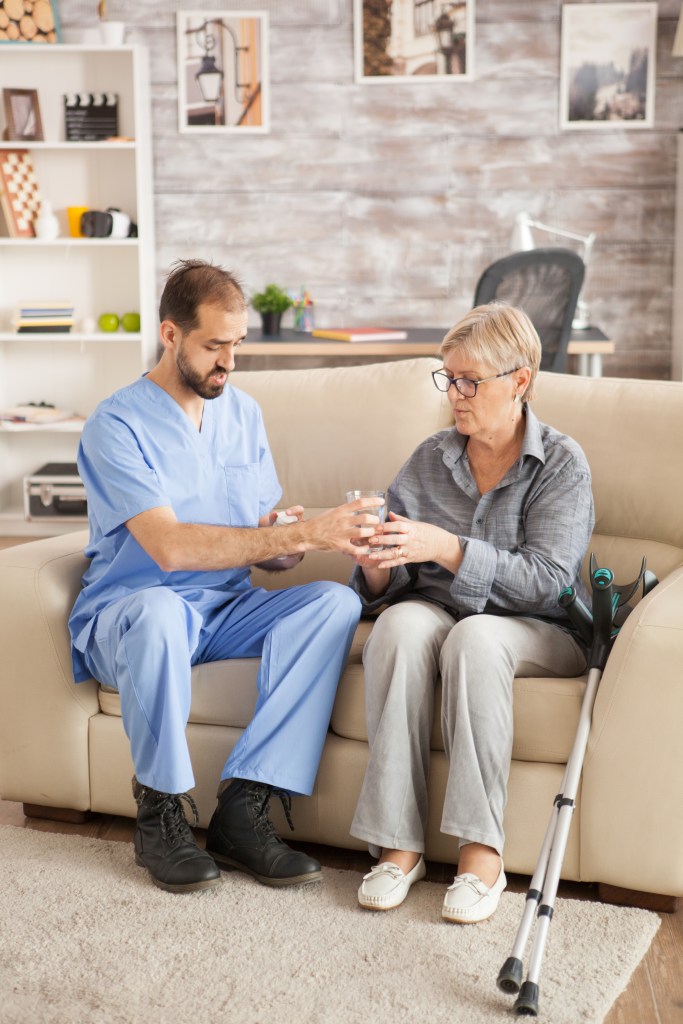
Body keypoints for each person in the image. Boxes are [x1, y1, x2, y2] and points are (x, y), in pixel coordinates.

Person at [68, 259, 383, 894]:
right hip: (135, 611)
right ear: (170, 335)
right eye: (215, 346)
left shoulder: (242, 414)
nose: (229, 363)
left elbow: (261, 542)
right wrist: (299, 534)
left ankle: (245, 807)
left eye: (237, 345)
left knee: (332, 603)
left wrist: (282, 543)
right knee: (160, 612)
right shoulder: (115, 426)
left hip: (224, 610)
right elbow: (168, 548)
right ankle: (160, 815)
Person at [348, 303, 594, 923]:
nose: (454, 395)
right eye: (448, 378)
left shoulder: (561, 464)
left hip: (543, 627)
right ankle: (398, 847)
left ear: (520, 381)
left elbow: (548, 582)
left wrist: (449, 548)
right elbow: (394, 579)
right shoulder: (431, 456)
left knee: (476, 638)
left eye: (469, 381)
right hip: (440, 610)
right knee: (398, 627)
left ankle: (481, 855)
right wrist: (375, 562)